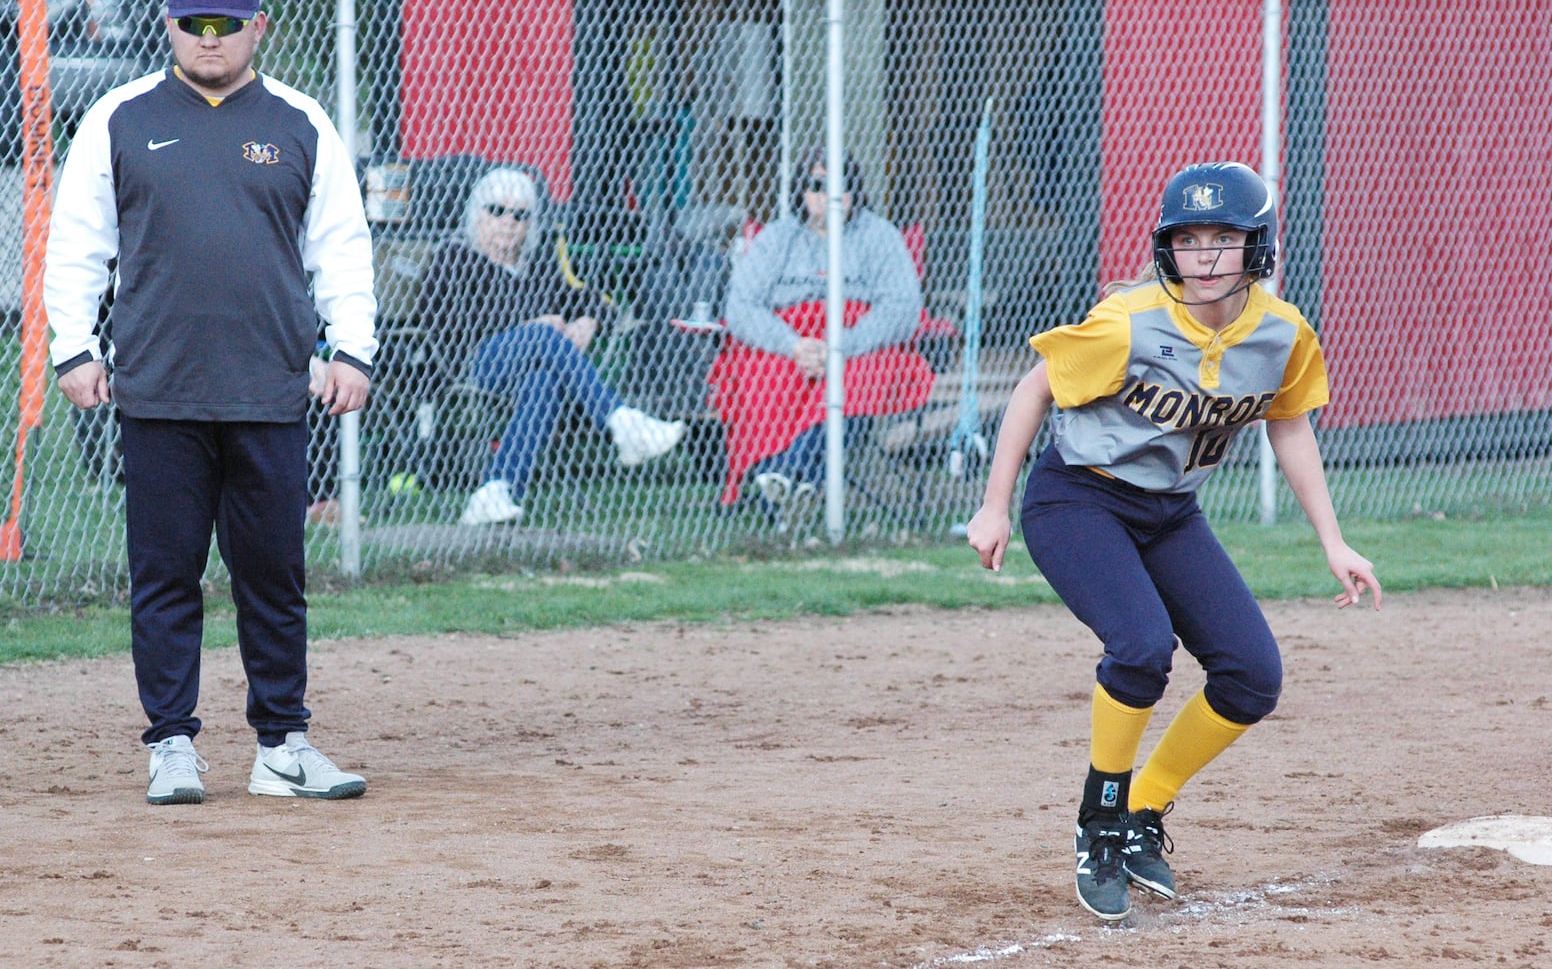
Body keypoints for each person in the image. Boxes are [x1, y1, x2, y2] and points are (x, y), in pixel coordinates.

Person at [965, 162, 1383, 921]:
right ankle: (1099, 825)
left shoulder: (1282, 333)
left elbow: (1289, 423)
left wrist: (1334, 539)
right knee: (1140, 647)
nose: (1205, 256)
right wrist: (994, 507)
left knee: (1252, 675)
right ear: (1168, 248)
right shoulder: (1129, 320)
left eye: (1224, 238)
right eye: (1188, 239)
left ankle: (1142, 813)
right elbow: (1033, 387)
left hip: (1170, 514)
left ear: (1258, 246)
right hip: (1079, 499)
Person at [43, 0, 375, 805]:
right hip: (157, 389)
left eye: (227, 22)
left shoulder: (301, 122)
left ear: (257, 27)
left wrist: (353, 350)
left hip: (269, 387)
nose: (211, 37)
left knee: (274, 574)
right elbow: (78, 241)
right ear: (169, 23)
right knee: (165, 574)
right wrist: (74, 347)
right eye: (196, 21)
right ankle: (171, 747)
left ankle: (282, 749)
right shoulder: (120, 117)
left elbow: (342, 244)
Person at [415, 166, 686, 526]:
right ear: (477, 214)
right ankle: (621, 422)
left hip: (527, 365)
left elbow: (591, 298)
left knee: (544, 381)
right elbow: (449, 321)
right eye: (497, 210)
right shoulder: (454, 257)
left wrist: (588, 320)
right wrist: (527, 327)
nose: (508, 222)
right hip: (471, 362)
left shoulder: (535, 265)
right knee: (545, 338)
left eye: (520, 214)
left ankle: (497, 490)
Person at [710, 149, 934, 513]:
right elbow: (742, 306)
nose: (827, 194)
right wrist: (793, 345)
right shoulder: (777, 237)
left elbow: (902, 307)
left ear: (854, 191)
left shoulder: (879, 235)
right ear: (802, 190)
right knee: (761, 375)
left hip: (858, 342)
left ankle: (787, 475)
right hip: (785, 342)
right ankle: (790, 487)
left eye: (839, 184)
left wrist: (842, 346)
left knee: (866, 376)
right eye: (817, 185)